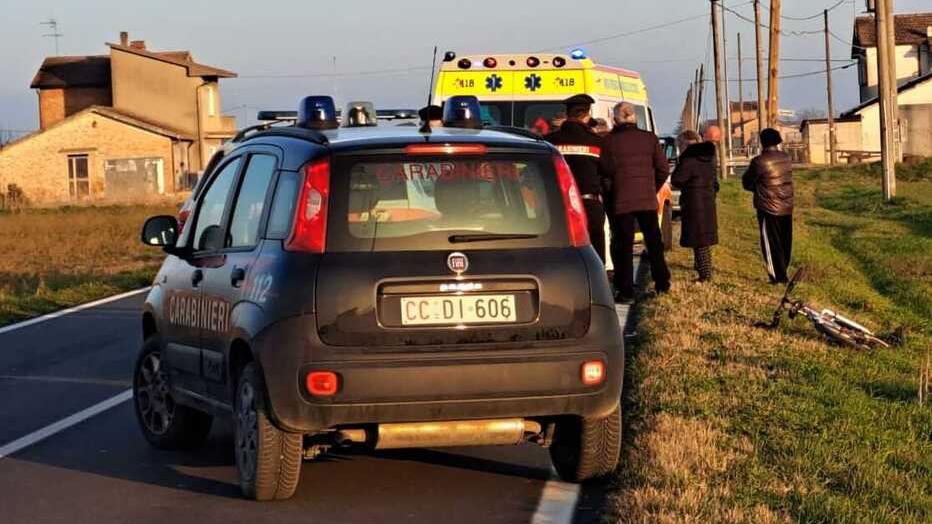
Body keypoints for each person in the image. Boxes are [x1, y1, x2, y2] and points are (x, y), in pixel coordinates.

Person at [602, 102, 671, 302]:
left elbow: (605, 172)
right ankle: (662, 283)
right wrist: (652, 188)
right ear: (635, 117)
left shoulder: (609, 142)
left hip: (622, 201)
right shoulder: (649, 139)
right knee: (654, 243)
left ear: (615, 120)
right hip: (647, 200)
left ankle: (626, 290)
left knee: (623, 246)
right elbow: (663, 169)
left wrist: (612, 192)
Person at [544, 94, 610, 262]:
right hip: (590, 204)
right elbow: (609, 171)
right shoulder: (597, 142)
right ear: (587, 115)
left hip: (557, 205)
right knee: (595, 252)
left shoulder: (550, 142)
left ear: (567, 114)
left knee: (560, 250)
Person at [742, 128, 794, 284]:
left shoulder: (759, 161)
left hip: (768, 206)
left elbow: (747, 182)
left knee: (771, 243)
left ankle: (778, 277)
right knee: (785, 241)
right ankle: (784, 269)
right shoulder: (787, 158)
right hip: (787, 205)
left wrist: (757, 189)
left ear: (762, 142)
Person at [671, 129, 719, 282]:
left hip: (693, 202)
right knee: (702, 239)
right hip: (707, 201)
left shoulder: (689, 160)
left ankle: (705, 275)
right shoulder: (709, 158)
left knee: (699, 241)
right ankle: (701, 269)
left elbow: (677, 179)